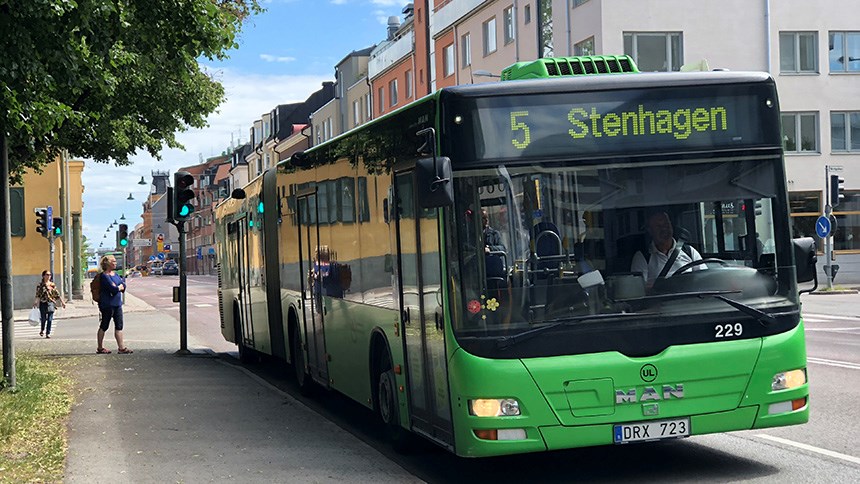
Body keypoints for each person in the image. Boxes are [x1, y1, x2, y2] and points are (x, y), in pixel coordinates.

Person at [631, 212, 704, 288]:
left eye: (666, 225)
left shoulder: (690, 251)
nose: (664, 229)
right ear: (650, 230)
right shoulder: (642, 257)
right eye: (658, 226)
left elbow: (704, 279)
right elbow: (638, 288)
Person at [97, 254, 132, 354]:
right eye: (113, 262)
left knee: (119, 325)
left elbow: (123, 285)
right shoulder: (104, 276)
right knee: (104, 325)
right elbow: (113, 288)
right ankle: (100, 348)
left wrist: (118, 287)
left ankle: (121, 348)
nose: (115, 263)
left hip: (117, 304)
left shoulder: (115, 274)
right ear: (108, 263)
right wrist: (118, 287)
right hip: (107, 305)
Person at [33, 270, 65, 338]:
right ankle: (42, 329)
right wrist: (36, 302)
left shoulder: (52, 285)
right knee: (43, 319)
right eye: (47, 275)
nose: (49, 276)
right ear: (43, 276)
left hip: (51, 303)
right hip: (43, 303)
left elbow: (57, 294)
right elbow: (38, 295)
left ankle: (48, 333)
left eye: (50, 275)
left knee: (50, 319)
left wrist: (62, 302)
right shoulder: (40, 285)